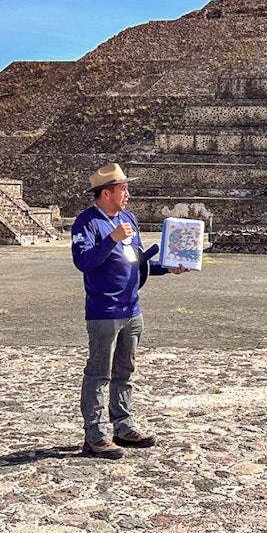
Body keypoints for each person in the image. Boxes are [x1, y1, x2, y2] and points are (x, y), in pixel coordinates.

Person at [71, 163, 187, 460]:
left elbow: (137, 261)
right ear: (106, 192)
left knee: (125, 371)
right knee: (99, 374)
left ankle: (124, 426)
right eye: (123, 189)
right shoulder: (87, 223)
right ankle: (95, 436)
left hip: (132, 308)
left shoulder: (129, 219)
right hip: (104, 310)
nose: (128, 194)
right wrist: (111, 239)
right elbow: (83, 262)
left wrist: (168, 268)